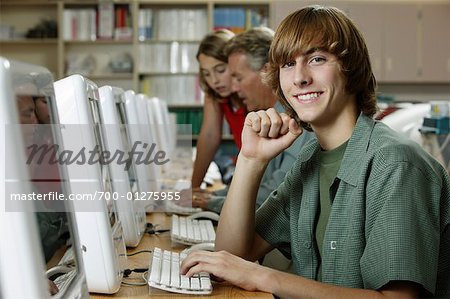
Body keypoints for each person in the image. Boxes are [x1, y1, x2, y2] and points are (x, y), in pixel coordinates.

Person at [181, 5, 450, 298]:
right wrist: (250, 160)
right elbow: (233, 254)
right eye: (287, 64)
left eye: (317, 58)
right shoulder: (311, 158)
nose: (299, 78)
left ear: (351, 67)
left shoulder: (395, 164)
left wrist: (264, 277)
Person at [192, 27, 314, 214]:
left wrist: (212, 202)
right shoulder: (273, 114)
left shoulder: (296, 119)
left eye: (237, 77)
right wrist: (214, 196)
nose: (231, 86)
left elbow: (275, 194)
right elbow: (261, 183)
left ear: (266, 71)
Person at [191, 29, 246, 189]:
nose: (214, 81)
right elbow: (209, 137)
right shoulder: (214, 93)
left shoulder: (252, 92)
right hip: (243, 164)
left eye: (220, 70)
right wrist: (193, 190)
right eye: (206, 74)